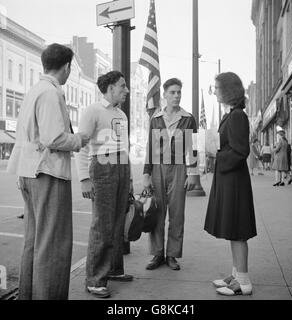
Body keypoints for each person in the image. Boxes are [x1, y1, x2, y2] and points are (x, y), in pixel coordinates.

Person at [6, 43, 89, 300]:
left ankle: (29, 295)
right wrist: (81, 139)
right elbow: (54, 138)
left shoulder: (34, 90)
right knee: (53, 244)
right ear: (66, 67)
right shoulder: (52, 93)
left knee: (34, 239)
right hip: (48, 172)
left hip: (29, 172)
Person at [75, 71, 133, 299]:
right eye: (122, 86)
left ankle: (114, 270)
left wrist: (128, 178)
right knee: (102, 225)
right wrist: (84, 179)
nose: (126, 90)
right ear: (110, 88)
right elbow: (81, 146)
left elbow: (123, 147)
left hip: (120, 166)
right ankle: (95, 280)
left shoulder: (121, 114)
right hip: (102, 167)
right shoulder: (92, 111)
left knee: (118, 222)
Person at [204, 72, 256, 296]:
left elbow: (240, 151)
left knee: (238, 230)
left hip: (234, 181)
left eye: (216, 87)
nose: (214, 91)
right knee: (234, 229)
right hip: (230, 179)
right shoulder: (232, 114)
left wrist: (215, 155)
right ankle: (236, 274)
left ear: (227, 89)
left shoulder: (236, 116)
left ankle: (243, 281)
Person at [143, 78, 200, 271]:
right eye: (172, 92)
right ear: (165, 94)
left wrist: (192, 173)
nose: (176, 96)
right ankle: (157, 254)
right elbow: (150, 146)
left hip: (178, 168)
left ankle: (172, 255)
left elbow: (194, 147)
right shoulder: (156, 118)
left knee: (177, 214)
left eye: (179, 92)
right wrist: (146, 173)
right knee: (157, 212)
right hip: (158, 167)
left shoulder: (188, 118)